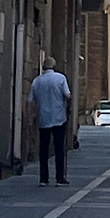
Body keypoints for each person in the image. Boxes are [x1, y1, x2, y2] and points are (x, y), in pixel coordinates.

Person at [29, 57, 71, 187]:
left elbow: (30, 100)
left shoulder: (37, 81)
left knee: (43, 148)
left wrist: (33, 116)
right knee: (59, 148)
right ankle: (59, 177)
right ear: (54, 66)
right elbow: (67, 95)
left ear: (43, 67)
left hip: (43, 118)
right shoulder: (60, 78)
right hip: (58, 118)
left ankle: (43, 178)